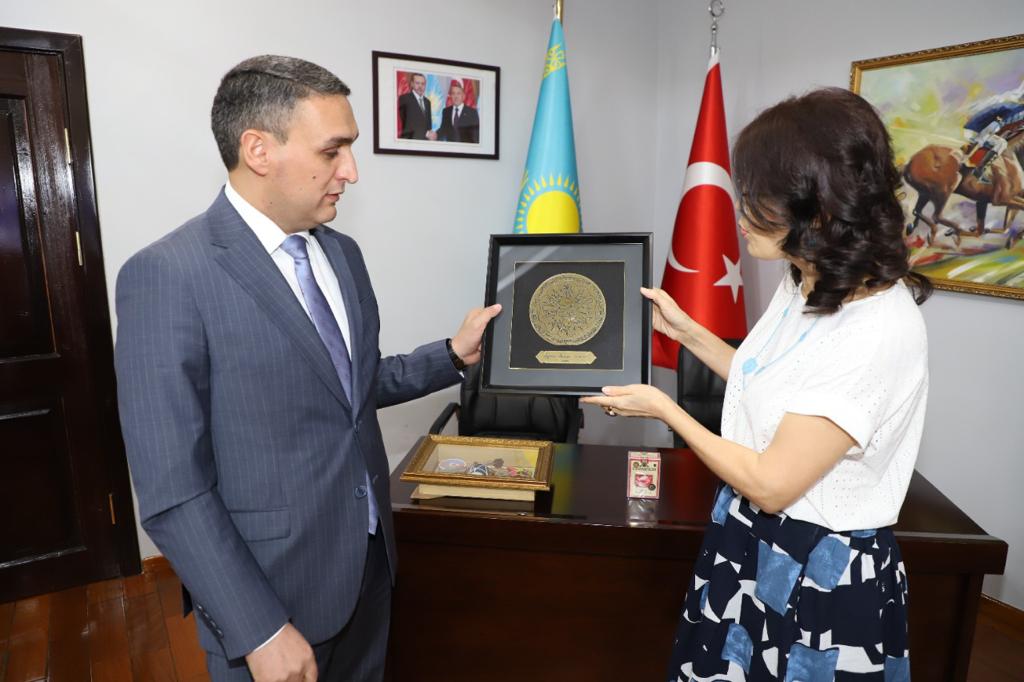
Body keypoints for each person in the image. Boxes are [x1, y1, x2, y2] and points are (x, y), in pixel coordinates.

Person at [114, 55, 500, 682]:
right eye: (332, 150)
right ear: (258, 150)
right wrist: (259, 629)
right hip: (271, 600)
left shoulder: (342, 254)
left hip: (370, 570)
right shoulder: (168, 276)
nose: (351, 171)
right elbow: (173, 488)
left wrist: (452, 355)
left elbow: (348, 391)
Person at [583, 87, 932, 680]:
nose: (740, 215)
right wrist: (688, 333)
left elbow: (772, 483)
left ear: (817, 209)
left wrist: (666, 410)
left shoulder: (877, 331)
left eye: (756, 200)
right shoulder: (807, 279)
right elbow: (768, 382)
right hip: (750, 539)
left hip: (817, 568)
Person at [397, 72, 432, 139]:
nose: (420, 86)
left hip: (424, 141)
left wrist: (432, 134)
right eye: (417, 83)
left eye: (423, 84)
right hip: (409, 140)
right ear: (412, 84)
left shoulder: (428, 102)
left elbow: (429, 126)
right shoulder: (404, 98)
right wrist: (426, 133)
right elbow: (407, 123)